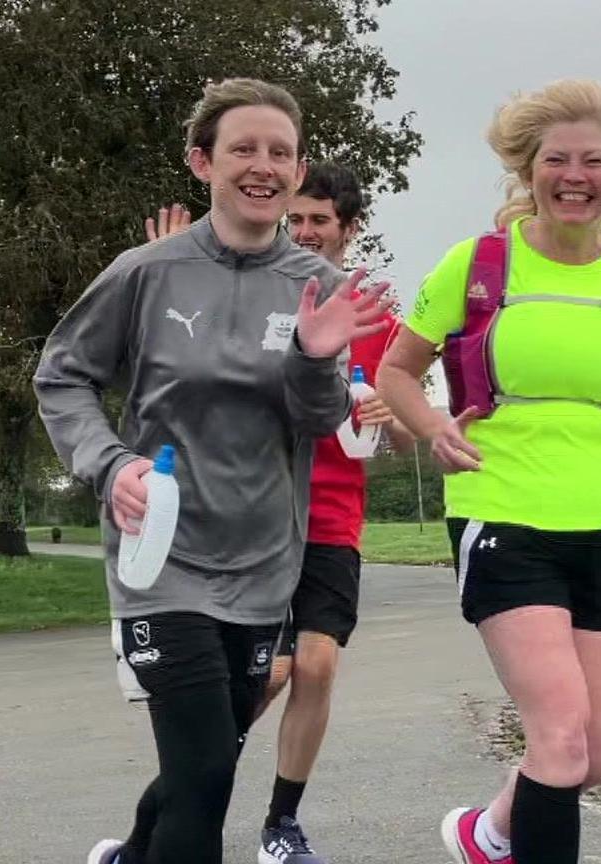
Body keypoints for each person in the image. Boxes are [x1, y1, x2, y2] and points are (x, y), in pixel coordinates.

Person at [34, 78, 392, 864]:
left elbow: (312, 418)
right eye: (243, 149)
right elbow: (62, 377)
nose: (263, 166)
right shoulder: (145, 271)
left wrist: (313, 355)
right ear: (202, 162)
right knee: (201, 776)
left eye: (281, 153)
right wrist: (110, 464)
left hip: (265, 563)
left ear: (298, 173)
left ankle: (132, 855)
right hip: (161, 555)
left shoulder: (319, 287)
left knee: (207, 764)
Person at [376, 78, 601, 864]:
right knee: (557, 740)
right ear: (527, 173)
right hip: (506, 509)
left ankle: (489, 833)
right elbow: (397, 370)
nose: (574, 175)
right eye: (554, 160)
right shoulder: (480, 263)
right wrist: (431, 427)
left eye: (592, 160)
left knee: (591, 756)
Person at [142, 161, 418, 864]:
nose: (304, 232)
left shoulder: (379, 318)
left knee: (316, 665)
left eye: (319, 221)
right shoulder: (247, 292)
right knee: (251, 683)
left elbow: (410, 426)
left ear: (348, 229)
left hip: (328, 519)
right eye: (295, 219)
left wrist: (394, 413)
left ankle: (281, 827)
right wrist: (171, 272)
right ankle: (159, 823)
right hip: (251, 515)